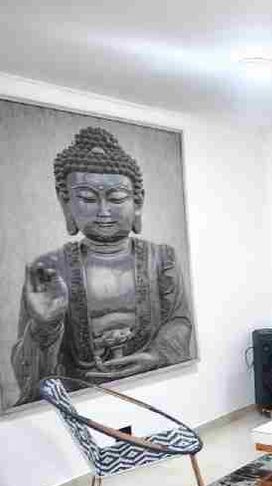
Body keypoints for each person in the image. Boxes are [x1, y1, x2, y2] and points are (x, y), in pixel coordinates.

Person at [11, 127, 193, 404]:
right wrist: (45, 327)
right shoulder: (48, 270)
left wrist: (157, 355)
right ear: (66, 202)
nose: (104, 211)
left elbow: (179, 322)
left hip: (153, 384)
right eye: (87, 198)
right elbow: (28, 372)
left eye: (117, 198)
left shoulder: (162, 259)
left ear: (138, 202)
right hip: (82, 396)